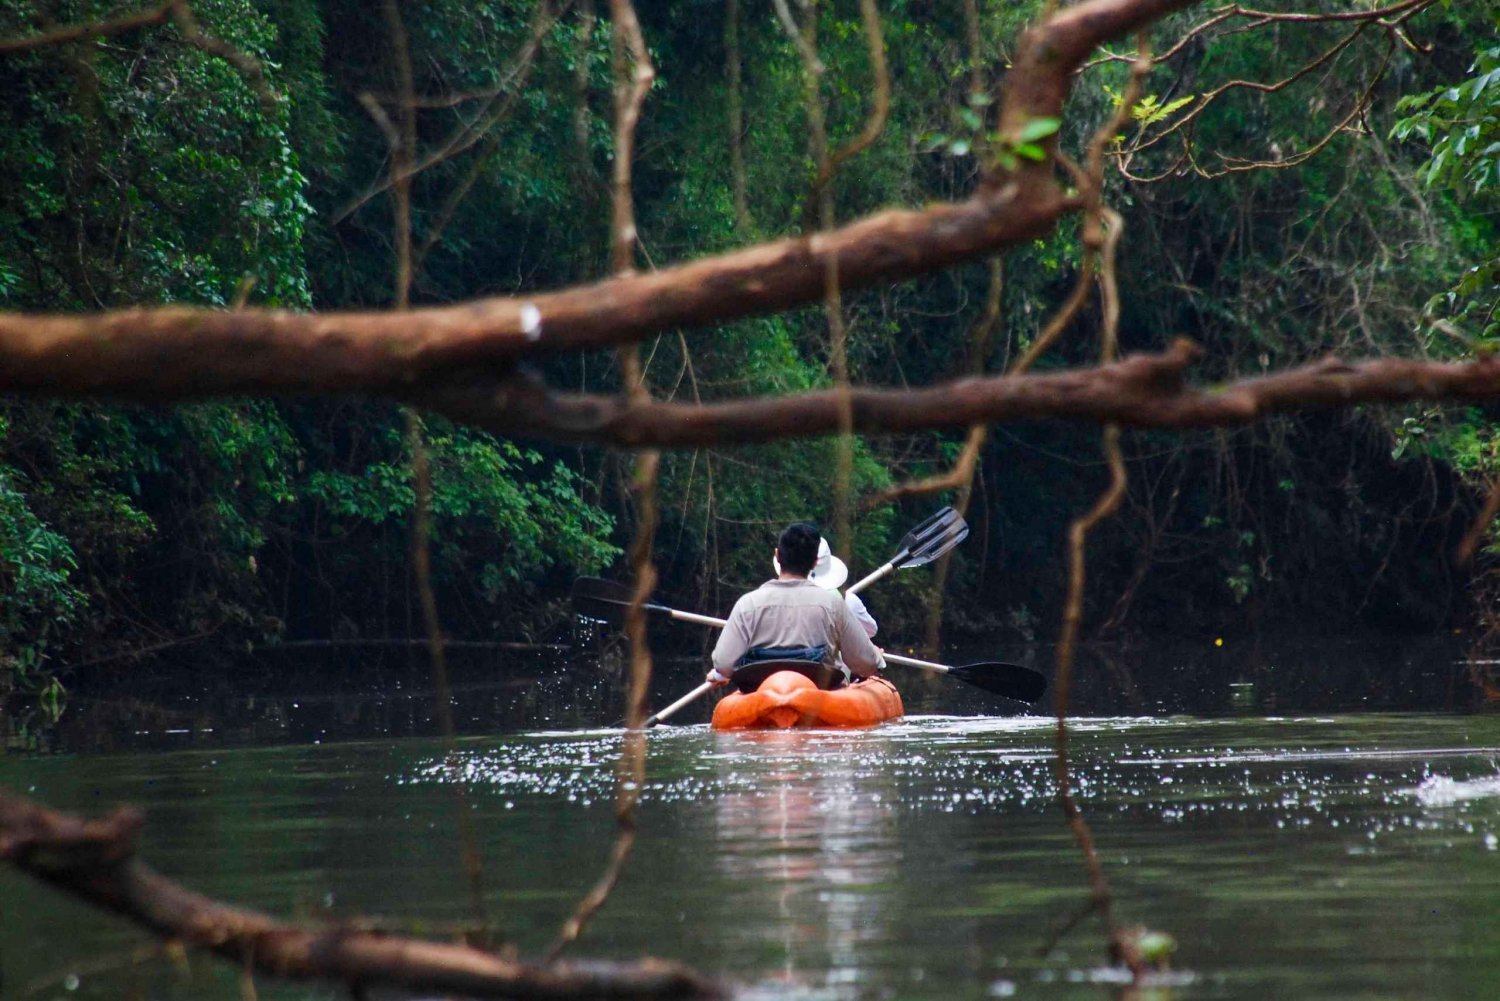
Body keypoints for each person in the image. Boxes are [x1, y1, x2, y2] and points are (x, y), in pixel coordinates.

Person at [708, 522, 885, 688]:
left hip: (762, 690)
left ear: (777, 556)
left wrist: (721, 674)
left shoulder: (747, 604)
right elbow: (866, 664)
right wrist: (876, 655)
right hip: (818, 692)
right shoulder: (834, 605)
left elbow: (723, 665)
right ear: (815, 562)